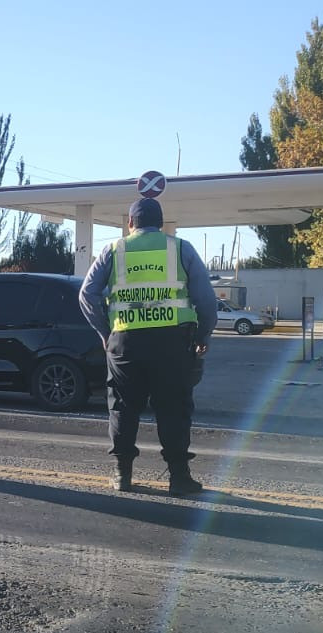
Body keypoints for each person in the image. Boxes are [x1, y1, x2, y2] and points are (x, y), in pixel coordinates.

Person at [78, 197, 217, 495]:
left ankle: (122, 475)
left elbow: (86, 294)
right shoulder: (181, 249)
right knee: (174, 408)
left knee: (123, 408)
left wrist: (105, 332)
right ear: (161, 223)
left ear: (130, 223)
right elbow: (206, 299)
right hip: (173, 342)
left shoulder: (113, 250)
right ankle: (179, 478)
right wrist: (203, 335)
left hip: (125, 342)